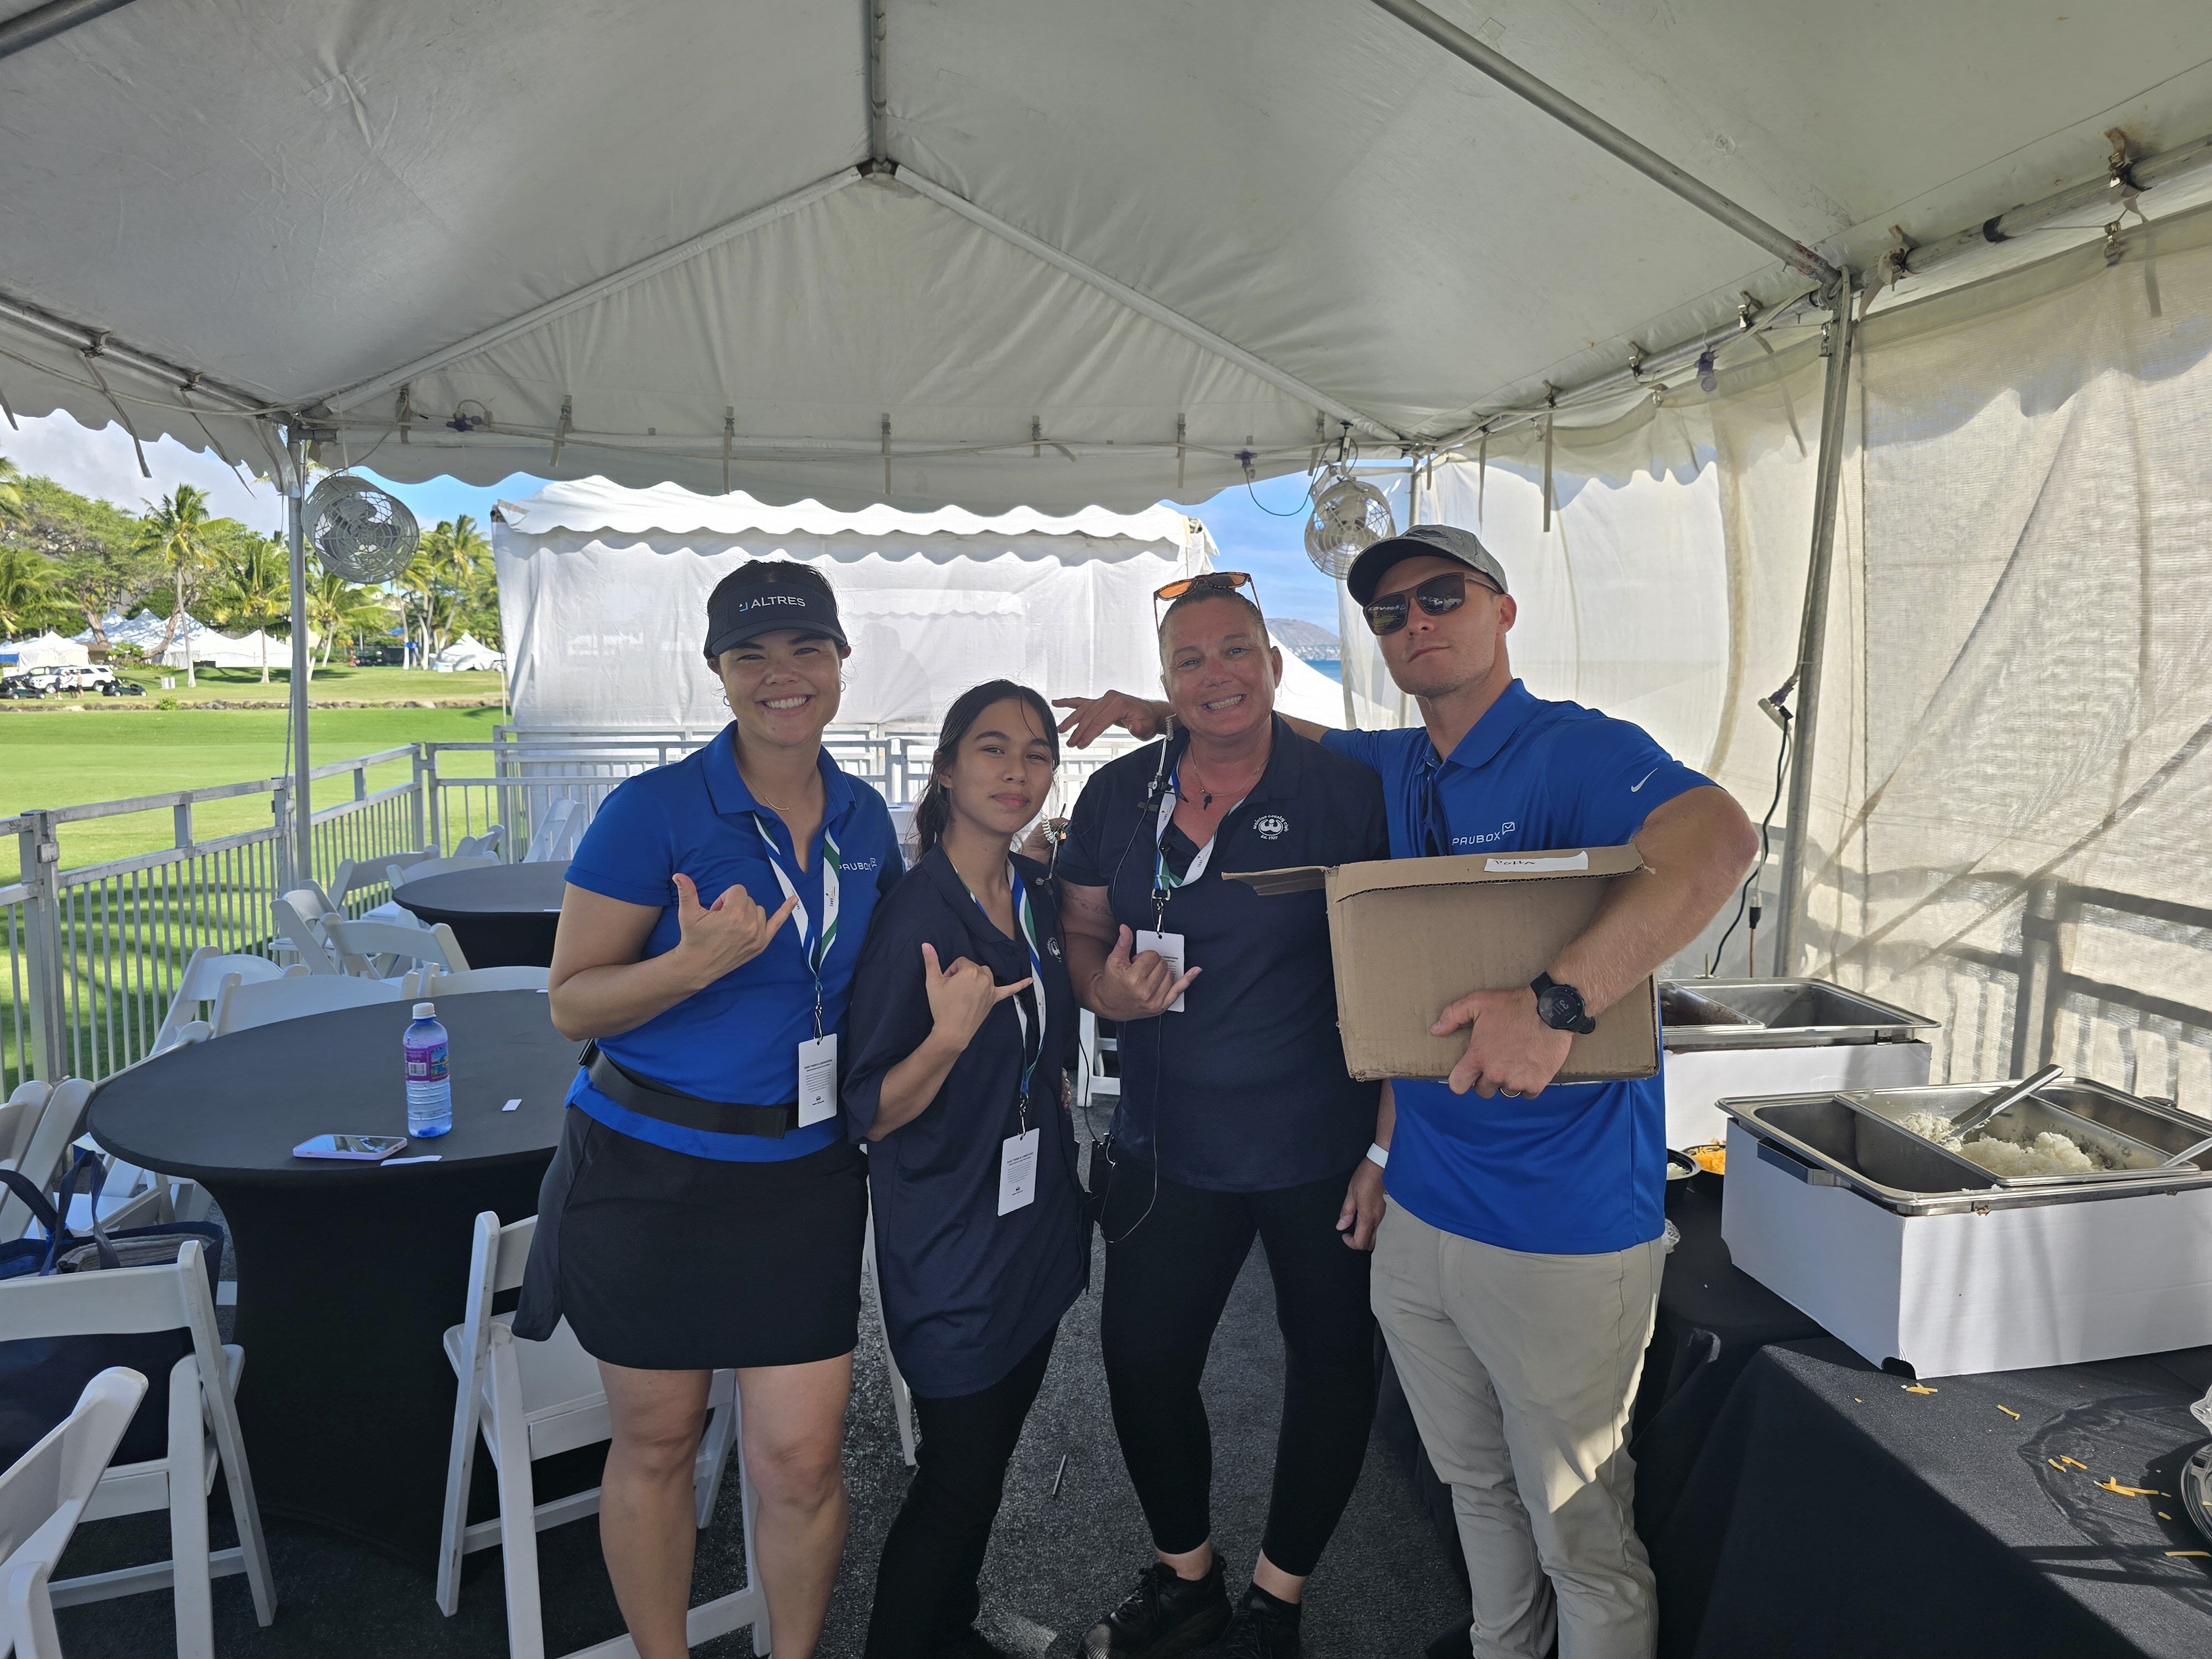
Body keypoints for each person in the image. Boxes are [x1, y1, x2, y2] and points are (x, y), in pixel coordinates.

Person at [1057, 526, 1757, 1659]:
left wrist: (1557, 1005)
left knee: (1579, 1523)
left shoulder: (1570, 750)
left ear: (1502, 609)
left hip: (1559, 1215)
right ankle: (1499, 1645)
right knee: (1472, 1486)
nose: (1416, 623)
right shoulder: (1395, 767)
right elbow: (1266, 731)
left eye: (1442, 597)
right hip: (1423, 1201)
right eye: (1391, 613)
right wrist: (1157, 714)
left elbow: (1719, 840)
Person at [520, 560, 903, 1659]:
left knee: (801, 1460)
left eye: (804, 651)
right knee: (657, 1443)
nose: (781, 676)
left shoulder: (866, 816)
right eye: (752, 656)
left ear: (837, 664)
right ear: (719, 674)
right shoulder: (653, 811)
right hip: (651, 1175)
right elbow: (570, 1003)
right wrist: (691, 966)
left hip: (803, 1176)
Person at [1048, 573, 1390, 1659]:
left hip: (1315, 1148)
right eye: (1189, 660)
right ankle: (1184, 1578)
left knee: (1330, 1361)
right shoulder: (1115, 796)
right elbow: (1079, 932)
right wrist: (1103, 988)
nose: (1216, 675)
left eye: (1235, 650)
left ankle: (1275, 1605)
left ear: (1272, 665)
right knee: (1141, 1360)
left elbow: (1396, 981)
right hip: (1165, 1145)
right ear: (1165, 683)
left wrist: (1385, 1146)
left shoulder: (1344, 793)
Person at [843, 681, 1086, 1659]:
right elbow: (870, 1111)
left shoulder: (1027, 893)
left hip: (1027, 1229)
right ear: (945, 769)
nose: (1017, 771)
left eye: (1035, 753)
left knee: (980, 1472)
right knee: (954, 1482)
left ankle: (947, 1628)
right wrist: (946, 1039)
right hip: (950, 1244)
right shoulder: (917, 917)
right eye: (992, 749)